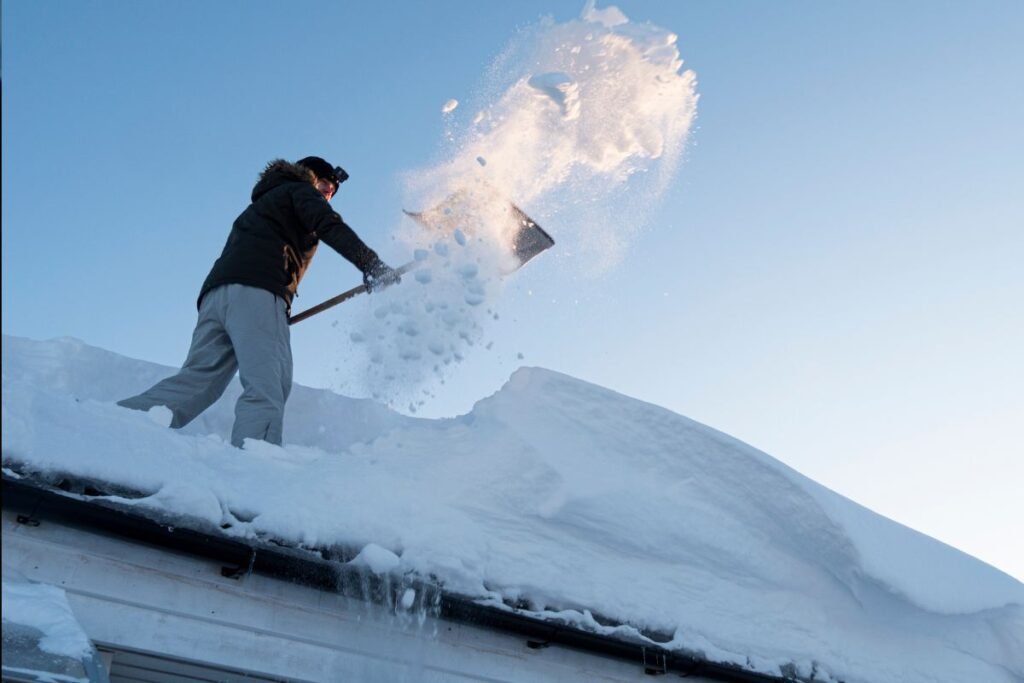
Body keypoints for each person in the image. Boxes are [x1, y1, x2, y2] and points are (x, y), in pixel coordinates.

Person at [118, 156, 400, 447]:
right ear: (310, 176)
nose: (328, 193)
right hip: (258, 292)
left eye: (332, 191)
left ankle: (111, 427)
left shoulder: (262, 204)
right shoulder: (300, 191)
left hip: (218, 296)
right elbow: (329, 225)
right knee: (268, 385)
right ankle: (253, 465)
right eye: (326, 184)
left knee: (197, 382)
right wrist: (371, 265)